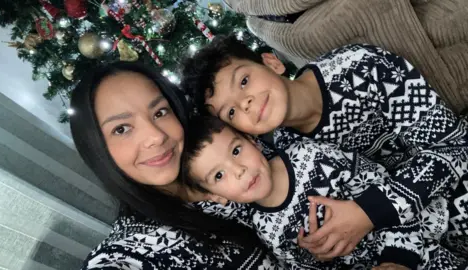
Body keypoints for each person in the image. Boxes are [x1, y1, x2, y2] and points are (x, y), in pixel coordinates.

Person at [180, 35, 468, 259]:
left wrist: (368, 211)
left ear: (271, 63)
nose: (245, 103)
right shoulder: (277, 149)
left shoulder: (362, 67)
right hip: (406, 228)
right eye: (230, 113)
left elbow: (453, 146)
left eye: (244, 81)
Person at [69, 61, 282, 269]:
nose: (156, 136)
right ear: (96, 150)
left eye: (160, 112)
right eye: (122, 129)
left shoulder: (218, 143)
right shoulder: (135, 249)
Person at [180, 115, 466, 270]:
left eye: (236, 151)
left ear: (253, 142)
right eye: (219, 175)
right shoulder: (263, 226)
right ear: (216, 196)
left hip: (416, 248)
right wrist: (319, 257)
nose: (239, 170)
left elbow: (384, 190)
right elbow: (300, 264)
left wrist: (397, 258)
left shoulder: (310, 157)